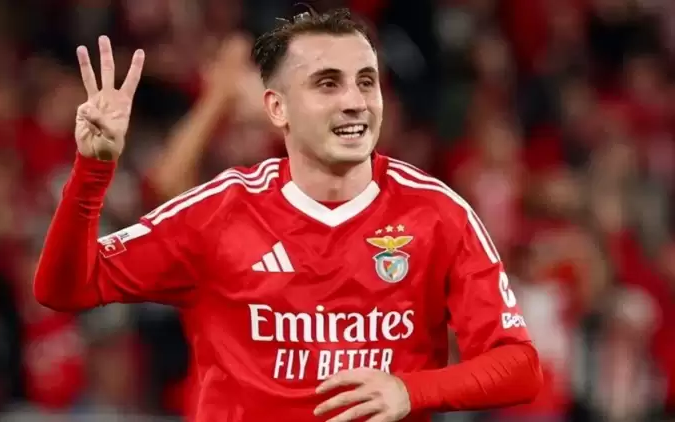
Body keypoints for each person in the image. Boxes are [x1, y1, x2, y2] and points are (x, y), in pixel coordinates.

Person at [33, 8, 542, 422]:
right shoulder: (219, 212)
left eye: (366, 82)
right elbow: (64, 288)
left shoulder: (436, 213)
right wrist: (92, 171)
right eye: (328, 84)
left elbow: (519, 366)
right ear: (277, 108)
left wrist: (411, 391)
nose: (355, 102)